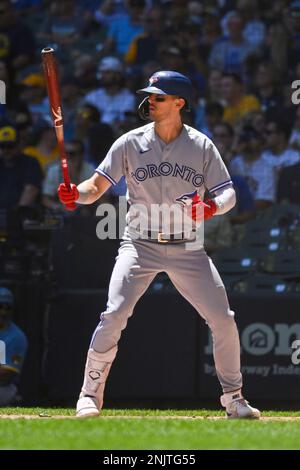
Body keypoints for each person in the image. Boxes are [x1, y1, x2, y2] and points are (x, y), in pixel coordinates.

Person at [58, 70, 261, 420]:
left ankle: (234, 397)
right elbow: (96, 186)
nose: (150, 101)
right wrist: (76, 194)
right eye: (150, 96)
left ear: (179, 102)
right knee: (114, 313)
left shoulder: (201, 145)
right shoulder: (128, 142)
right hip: (139, 245)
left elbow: (228, 193)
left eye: (159, 97)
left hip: (188, 248)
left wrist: (211, 207)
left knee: (223, 320)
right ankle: (89, 396)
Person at [0, 287, 28, 406]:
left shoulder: (17, 337)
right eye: (0, 306)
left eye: (8, 308)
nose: (3, 312)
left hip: (4, 388)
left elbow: (7, 375)